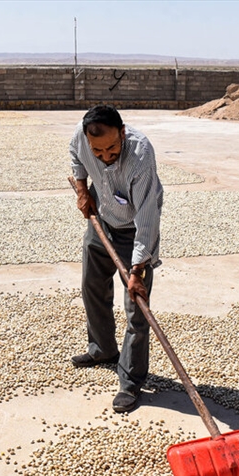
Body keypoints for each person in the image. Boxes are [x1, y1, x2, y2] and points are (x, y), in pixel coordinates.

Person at [68, 104, 163, 413]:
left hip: (134, 230)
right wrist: (83, 191)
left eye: (111, 148)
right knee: (92, 288)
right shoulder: (83, 139)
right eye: (98, 151)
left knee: (137, 308)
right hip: (102, 219)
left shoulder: (140, 157)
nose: (106, 156)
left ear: (123, 133)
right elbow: (75, 155)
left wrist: (137, 269)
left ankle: (131, 381)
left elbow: (148, 217)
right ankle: (102, 350)